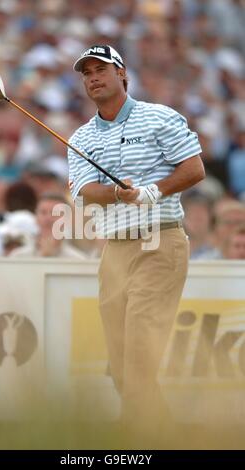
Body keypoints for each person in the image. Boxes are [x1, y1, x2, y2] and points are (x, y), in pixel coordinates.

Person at [68, 45, 205, 438]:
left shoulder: (159, 117)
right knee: (123, 365)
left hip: (160, 243)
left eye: (101, 69)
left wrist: (151, 192)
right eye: (87, 73)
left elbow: (194, 168)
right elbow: (81, 191)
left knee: (140, 357)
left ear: (122, 74)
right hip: (115, 249)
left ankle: (134, 441)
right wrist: (116, 192)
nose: (94, 77)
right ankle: (166, 439)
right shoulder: (80, 137)